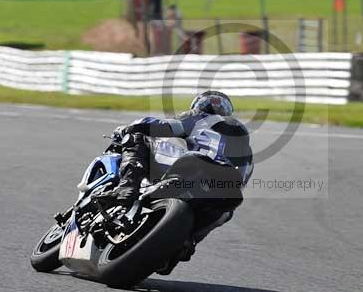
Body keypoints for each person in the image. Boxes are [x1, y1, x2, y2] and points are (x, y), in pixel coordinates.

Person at [95, 91, 251, 270]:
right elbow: (243, 178)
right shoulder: (244, 140)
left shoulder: (199, 117)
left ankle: (127, 187)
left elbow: (162, 126)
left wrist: (130, 128)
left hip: (196, 165)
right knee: (225, 213)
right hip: (226, 189)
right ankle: (186, 243)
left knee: (138, 137)